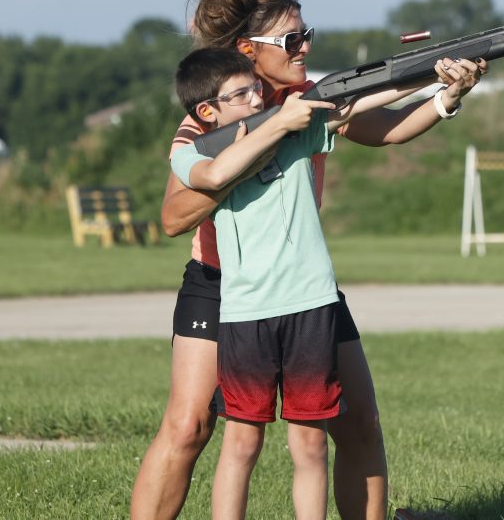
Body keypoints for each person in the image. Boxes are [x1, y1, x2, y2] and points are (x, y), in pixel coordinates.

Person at [130, 0, 486, 520]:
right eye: (292, 39)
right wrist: (261, 143)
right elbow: (175, 217)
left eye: (306, 35)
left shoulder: (312, 99)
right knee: (189, 426)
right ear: (249, 51)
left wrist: (447, 94)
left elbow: (382, 126)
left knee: (359, 421)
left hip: (302, 284)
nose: (304, 46)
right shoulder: (209, 121)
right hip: (221, 284)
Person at [170, 46, 442, 518]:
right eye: (240, 95)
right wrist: (278, 122)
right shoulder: (195, 151)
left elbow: (365, 100)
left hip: (312, 309)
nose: (256, 100)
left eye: (256, 90)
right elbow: (213, 174)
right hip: (245, 315)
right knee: (241, 445)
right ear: (206, 112)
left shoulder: (296, 133)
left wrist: (440, 83)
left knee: (311, 446)